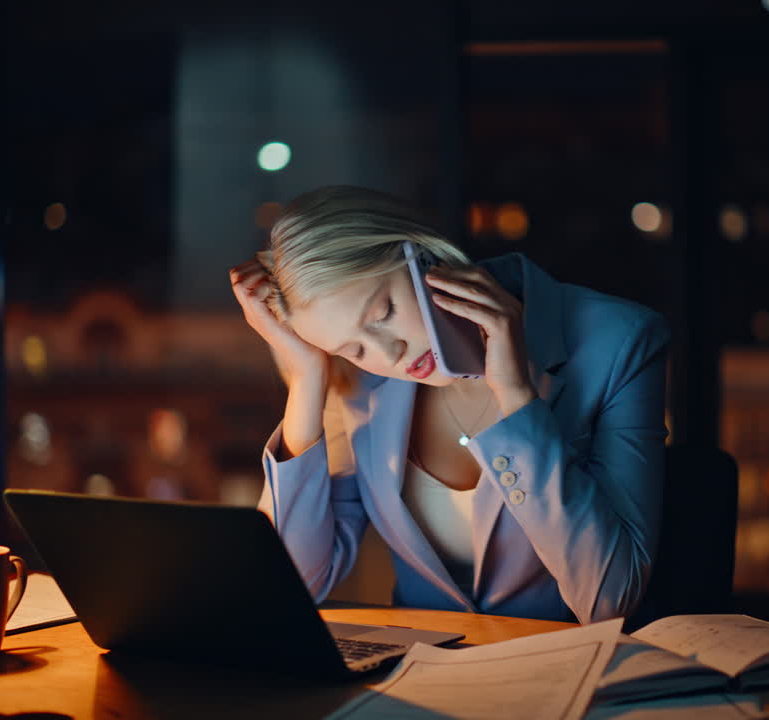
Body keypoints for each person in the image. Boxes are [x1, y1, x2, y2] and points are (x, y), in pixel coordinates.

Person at [229, 186, 669, 624]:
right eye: (355, 349)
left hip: (578, 670)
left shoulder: (619, 340)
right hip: (427, 679)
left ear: (422, 254)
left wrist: (515, 396)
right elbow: (294, 585)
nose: (390, 353)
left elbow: (611, 598)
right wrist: (306, 378)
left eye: (383, 312)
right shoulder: (359, 381)